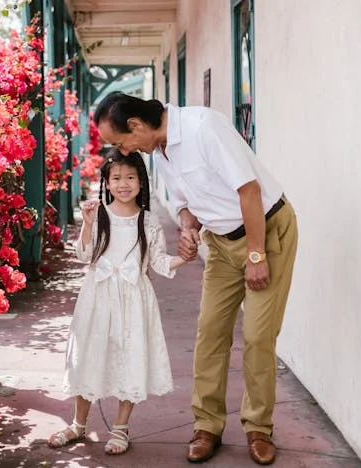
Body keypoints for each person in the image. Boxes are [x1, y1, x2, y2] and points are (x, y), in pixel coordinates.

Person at [92, 92, 298, 465]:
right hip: (220, 241)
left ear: (136, 125)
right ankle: (207, 426)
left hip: (265, 231)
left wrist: (256, 254)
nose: (121, 150)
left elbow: (248, 190)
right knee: (210, 331)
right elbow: (188, 202)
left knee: (257, 335)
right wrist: (187, 228)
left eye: (119, 141)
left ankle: (258, 428)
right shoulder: (161, 150)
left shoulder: (204, 128)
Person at [47, 150, 192, 455]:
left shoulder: (148, 222)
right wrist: (86, 224)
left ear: (141, 181)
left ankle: (121, 427)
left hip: (133, 299)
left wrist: (183, 258)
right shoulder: (99, 214)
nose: (124, 184)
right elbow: (85, 256)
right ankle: (78, 423)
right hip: (98, 296)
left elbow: (158, 261)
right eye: (117, 178)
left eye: (130, 177)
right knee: (89, 354)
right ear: (107, 183)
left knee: (130, 356)